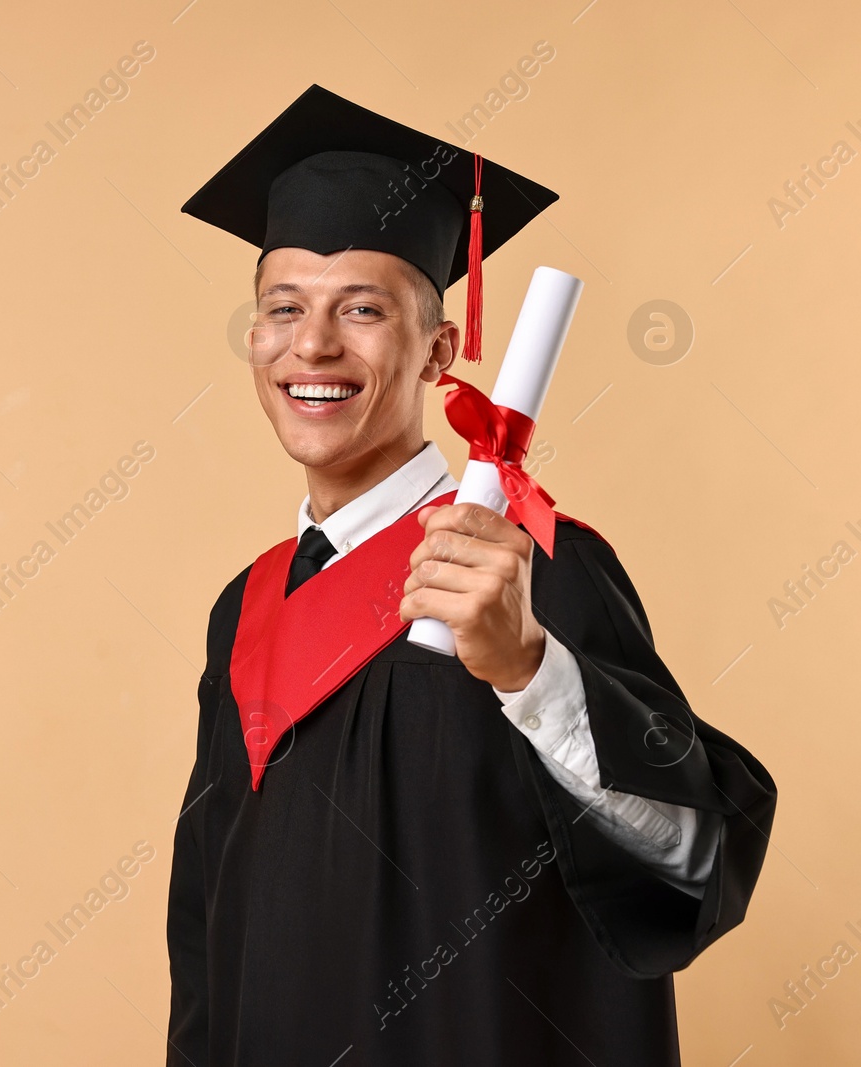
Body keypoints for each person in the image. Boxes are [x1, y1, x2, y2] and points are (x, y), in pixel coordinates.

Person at [166, 85, 776, 1067]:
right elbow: (203, 933)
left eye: (361, 309)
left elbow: (695, 861)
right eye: (283, 309)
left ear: (438, 351)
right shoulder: (243, 607)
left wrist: (530, 669)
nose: (312, 344)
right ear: (254, 340)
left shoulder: (533, 564)